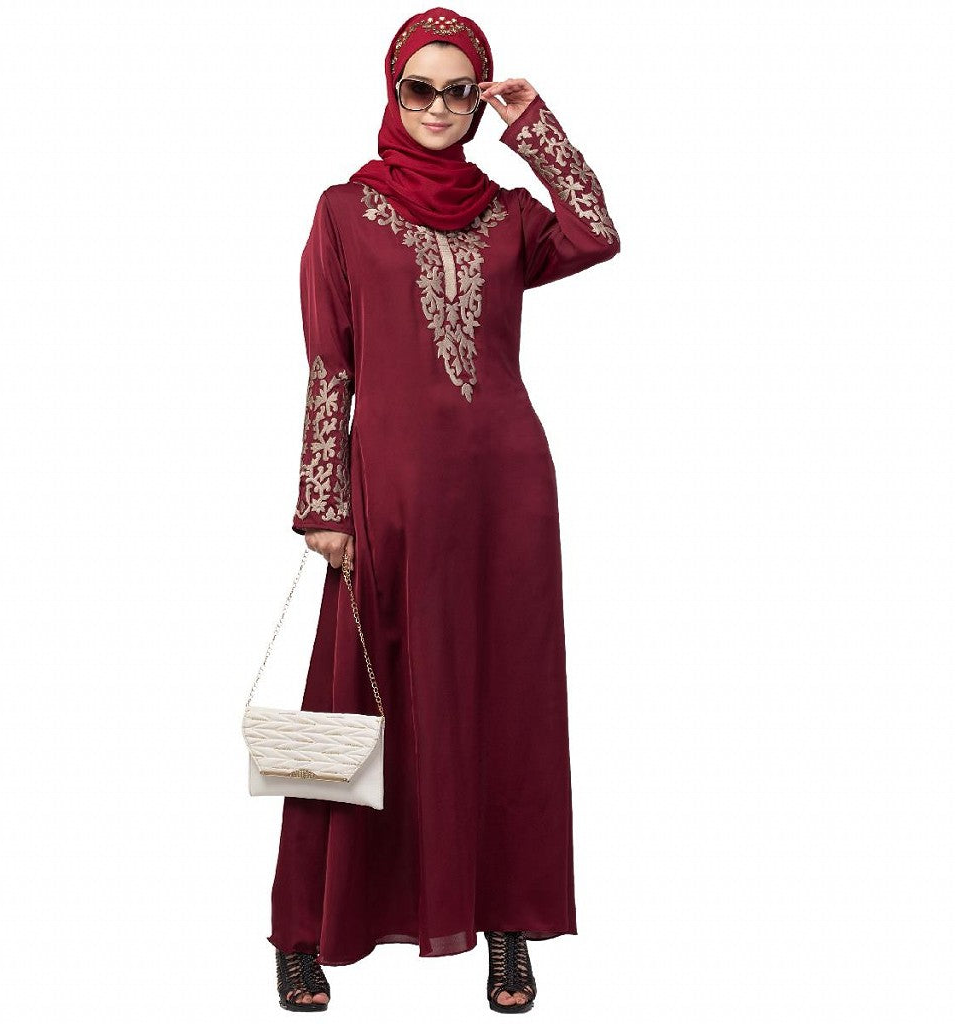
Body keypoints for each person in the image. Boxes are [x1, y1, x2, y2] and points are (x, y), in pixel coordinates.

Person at [268, 6, 620, 1013]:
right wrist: (323, 503)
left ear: (476, 101)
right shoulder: (344, 210)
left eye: (457, 90)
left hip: (507, 495)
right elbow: (328, 364)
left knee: (506, 703)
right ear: (392, 93)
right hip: (388, 496)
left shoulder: (506, 214)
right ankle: (303, 926)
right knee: (350, 702)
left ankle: (506, 923)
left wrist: (535, 126)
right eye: (417, 88)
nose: (436, 106)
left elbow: (595, 233)